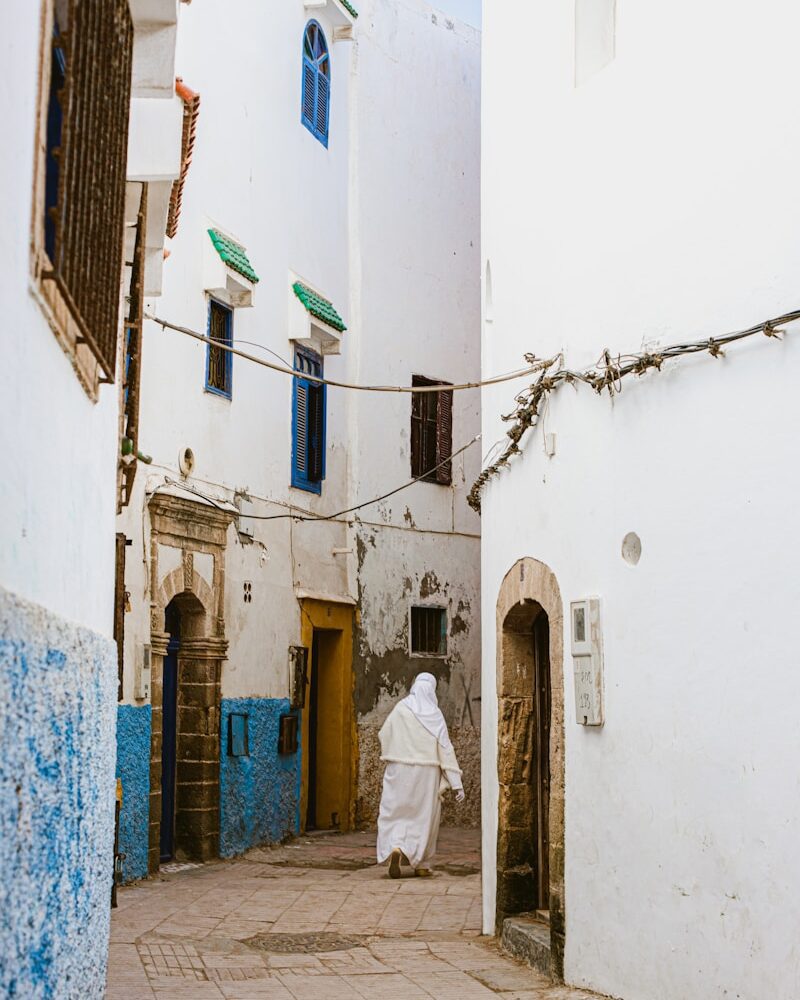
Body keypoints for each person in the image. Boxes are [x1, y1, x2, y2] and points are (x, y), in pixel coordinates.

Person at [376, 672, 465, 878]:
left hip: (398, 769)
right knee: (424, 817)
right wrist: (455, 782)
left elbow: (384, 734)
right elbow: (445, 747)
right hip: (427, 774)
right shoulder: (435, 715)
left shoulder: (400, 709)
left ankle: (396, 846)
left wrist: (396, 752)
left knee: (395, 811)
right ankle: (422, 864)